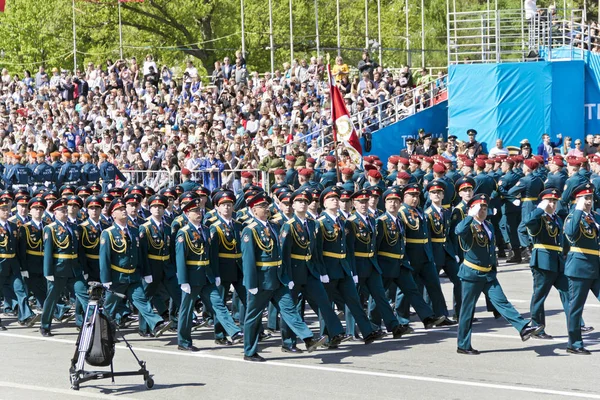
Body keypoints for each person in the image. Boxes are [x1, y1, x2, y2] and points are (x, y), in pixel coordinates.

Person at [241, 191, 327, 361]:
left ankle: (308, 339)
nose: (266, 209)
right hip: (262, 280)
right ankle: (249, 351)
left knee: (289, 310)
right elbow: (248, 259)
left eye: (267, 206)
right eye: (261, 207)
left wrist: (286, 277)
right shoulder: (249, 230)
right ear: (253, 210)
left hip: (279, 278)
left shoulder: (274, 226)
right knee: (253, 316)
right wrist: (251, 283)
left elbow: (281, 254)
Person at [455, 194, 543, 355]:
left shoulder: (488, 225)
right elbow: (459, 230)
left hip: (488, 274)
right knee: (467, 311)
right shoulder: (469, 226)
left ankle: (523, 327)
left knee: (503, 302)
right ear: (472, 209)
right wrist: (469, 215)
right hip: (472, 274)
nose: (482, 210)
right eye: (479, 207)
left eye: (484, 207)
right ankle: (463, 344)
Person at [279, 188, 350, 351]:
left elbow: (316, 251)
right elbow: (284, 254)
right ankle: (288, 342)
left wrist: (321, 271)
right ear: (293, 205)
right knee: (292, 307)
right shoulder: (288, 226)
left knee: (324, 301)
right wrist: (286, 276)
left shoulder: (312, 224)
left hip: (310, 270)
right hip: (294, 271)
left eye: (305, 201)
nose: (303, 204)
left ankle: (336, 332)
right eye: (299, 202)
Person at [175, 195, 243, 351]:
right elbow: (180, 258)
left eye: (199, 210)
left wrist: (216, 274)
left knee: (219, 304)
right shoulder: (183, 233)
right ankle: (183, 341)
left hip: (207, 275)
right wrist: (183, 281)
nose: (199, 213)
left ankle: (233, 332)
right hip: (191, 277)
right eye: (194, 211)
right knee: (186, 310)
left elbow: (211, 255)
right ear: (187, 214)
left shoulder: (206, 229)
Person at [99, 198, 171, 338]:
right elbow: (105, 258)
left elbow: (141, 254)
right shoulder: (108, 233)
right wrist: (105, 279)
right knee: (110, 308)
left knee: (142, 301)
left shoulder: (134, 230)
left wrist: (146, 272)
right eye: (119, 210)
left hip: (133, 276)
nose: (124, 211)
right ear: (113, 214)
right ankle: (103, 334)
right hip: (116, 278)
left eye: (123, 208)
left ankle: (156, 324)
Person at [523, 189, 570, 339]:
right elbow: (527, 222)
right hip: (542, 261)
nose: (552, 204)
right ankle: (537, 328)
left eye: (554, 201)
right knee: (540, 296)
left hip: (557, 261)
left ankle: (576, 325)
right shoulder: (539, 218)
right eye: (549, 201)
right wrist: (539, 209)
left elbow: (561, 239)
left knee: (568, 293)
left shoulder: (557, 218)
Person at [40, 198, 87, 336]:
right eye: (61, 210)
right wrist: (48, 271)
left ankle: (90, 322)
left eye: (66, 210)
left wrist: (83, 269)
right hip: (58, 269)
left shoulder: (74, 227)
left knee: (83, 295)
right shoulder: (50, 228)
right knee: (52, 298)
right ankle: (45, 325)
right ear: (55, 212)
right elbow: (48, 251)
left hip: (74, 269)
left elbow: (79, 251)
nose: (65, 213)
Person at [563, 184, 600, 354]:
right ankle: (574, 344)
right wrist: (577, 210)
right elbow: (570, 233)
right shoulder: (573, 217)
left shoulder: (595, 217)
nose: (588, 201)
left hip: (596, 267)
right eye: (585, 198)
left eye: (590, 198)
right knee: (576, 307)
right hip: (579, 268)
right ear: (577, 200)